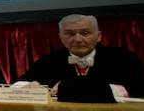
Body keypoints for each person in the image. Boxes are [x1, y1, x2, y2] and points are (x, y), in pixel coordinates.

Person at [16, 14, 144, 102]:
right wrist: (30, 88)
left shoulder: (123, 58)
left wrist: (70, 88)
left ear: (99, 36)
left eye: (85, 33)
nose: (77, 39)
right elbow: (16, 86)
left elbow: (137, 90)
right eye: (70, 34)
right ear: (60, 38)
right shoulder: (49, 61)